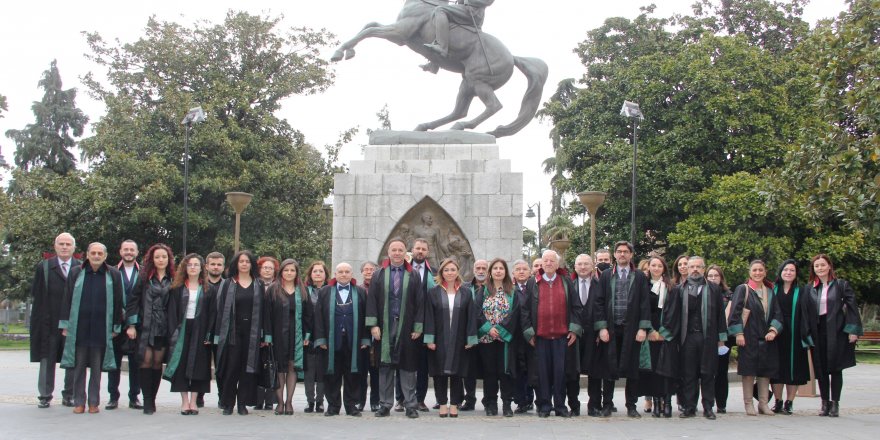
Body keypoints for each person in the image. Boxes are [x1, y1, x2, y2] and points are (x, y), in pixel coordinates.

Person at [656, 257, 727, 420]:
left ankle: (708, 407)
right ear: (686, 269)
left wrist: (721, 337)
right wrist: (666, 334)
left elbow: (720, 315)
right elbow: (671, 313)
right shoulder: (679, 289)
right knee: (689, 374)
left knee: (708, 373)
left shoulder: (714, 289)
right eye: (692, 266)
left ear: (704, 269)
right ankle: (689, 407)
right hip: (687, 337)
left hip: (707, 336)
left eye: (698, 267)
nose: (695, 269)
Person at [59, 243, 124, 414]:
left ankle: (94, 402)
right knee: (78, 366)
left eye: (99, 253)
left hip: (101, 329)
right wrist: (65, 324)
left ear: (105, 255)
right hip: (79, 328)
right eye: (93, 253)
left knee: (96, 368)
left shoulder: (113, 274)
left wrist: (116, 326)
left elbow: (118, 302)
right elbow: (67, 298)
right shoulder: (76, 272)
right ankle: (79, 401)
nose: (96, 256)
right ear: (87, 254)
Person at [366, 238, 424, 419]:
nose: (397, 253)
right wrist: (373, 325)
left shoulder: (413, 274)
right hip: (384, 326)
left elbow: (420, 302)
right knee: (385, 366)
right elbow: (372, 301)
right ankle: (385, 404)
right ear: (388, 252)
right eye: (394, 250)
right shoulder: (379, 274)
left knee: (408, 367)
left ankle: (410, 405)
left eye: (400, 250)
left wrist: (417, 326)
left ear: (405, 252)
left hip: (406, 327)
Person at [592, 241, 651, 418]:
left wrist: (643, 328)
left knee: (632, 369)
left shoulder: (639, 276)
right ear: (615, 255)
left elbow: (644, 303)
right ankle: (607, 404)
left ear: (631, 254)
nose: (622, 254)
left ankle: (631, 405)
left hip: (632, 329)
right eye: (619, 251)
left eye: (626, 251)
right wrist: (601, 327)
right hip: (611, 328)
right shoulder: (606, 275)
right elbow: (599, 302)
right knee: (608, 368)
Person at [521, 250, 583, 418]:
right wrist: (529, 333)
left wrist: (574, 330)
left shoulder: (566, 282)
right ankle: (544, 406)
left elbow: (577, 307)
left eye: (551, 261)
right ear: (541, 264)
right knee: (542, 374)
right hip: (540, 338)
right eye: (545, 261)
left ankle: (561, 406)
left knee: (560, 374)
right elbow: (525, 310)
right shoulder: (533, 282)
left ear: (557, 264)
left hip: (562, 338)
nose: (548, 263)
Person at [213, 250, 271, 415]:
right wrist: (217, 335)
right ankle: (228, 403)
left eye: (247, 261)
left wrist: (266, 335)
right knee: (231, 369)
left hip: (252, 333)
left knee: (248, 369)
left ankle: (242, 404)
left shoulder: (258, 284)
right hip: (232, 333)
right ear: (236, 264)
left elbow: (265, 311)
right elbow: (219, 310)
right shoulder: (228, 283)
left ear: (252, 264)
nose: (244, 264)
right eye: (241, 261)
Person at [806, 254, 862, 417]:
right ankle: (825, 403)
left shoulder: (841, 285)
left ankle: (835, 403)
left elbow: (852, 307)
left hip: (837, 331)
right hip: (818, 331)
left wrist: (852, 330)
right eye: (817, 266)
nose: (820, 268)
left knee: (836, 367)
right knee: (820, 368)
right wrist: (806, 333)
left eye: (823, 265)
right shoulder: (810, 288)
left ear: (829, 266)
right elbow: (805, 312)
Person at [314, 263, 370, 417]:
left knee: (353, 374)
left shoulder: (360, 292)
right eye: (341, 272)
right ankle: (333, 406)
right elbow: (318, 317)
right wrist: (321, 339)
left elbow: (366, 315)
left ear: (352, 274)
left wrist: (365, 339)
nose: (344, 274)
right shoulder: (325, 291)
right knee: (331, 374)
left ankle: (351, 406)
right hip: (332, 341)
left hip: (354, 340)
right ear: (335, 274)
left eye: (347, 272)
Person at [727, 259, 782, 416]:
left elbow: (778, 314)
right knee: (749, 372)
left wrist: (773, 331)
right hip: (748, 337)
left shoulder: (770, 292)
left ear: (765, 272)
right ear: (749, 272)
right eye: (754, 270)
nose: (757, 273)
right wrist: (738, 333)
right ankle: (748, 403)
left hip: (766, 338)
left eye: (760, 270)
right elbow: (734, 313)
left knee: (765, 372)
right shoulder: (743, 290)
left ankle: (763, 404)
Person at [424, 257, 477, 418]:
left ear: (457, 272)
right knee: (439, 373)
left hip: (459, 339)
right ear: (441, 272)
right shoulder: (433, 292)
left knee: (457, 372)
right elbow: (429, 316)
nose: (449, 272)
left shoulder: (466, 292)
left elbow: (471, 317)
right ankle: (442, 403)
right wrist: (429, 339)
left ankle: (454, 404)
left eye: (452, 269)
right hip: (439, 338)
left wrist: (470, 339)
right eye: (446, 270)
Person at [125, 243, 175, 415]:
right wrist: (131, 325)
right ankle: (146, 400)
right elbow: (132, 301)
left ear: (168, 259)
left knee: (157, 364)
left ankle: (152, 398)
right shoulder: (144, 277)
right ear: (152, 260)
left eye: (164, 257)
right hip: (146, 325)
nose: (161, 260)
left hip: (164, 326)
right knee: (145, 361)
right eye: (157, 257)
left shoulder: (173, 278)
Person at [164, 254, 216, 416]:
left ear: (202, 268)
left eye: (196, 265)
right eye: (190, 265)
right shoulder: (177, 288)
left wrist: (209, 334)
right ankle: (184, 401)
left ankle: (194, 401)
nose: (193, 267)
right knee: (182, 364)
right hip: (182, 330)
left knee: (200, 366)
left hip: (201, 330)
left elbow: (213, 313)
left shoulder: (209, 289)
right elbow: (171, 312)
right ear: (185, 268)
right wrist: (174, 332)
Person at [31, 232, 79, 408]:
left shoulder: (80, 267)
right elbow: (37, 295)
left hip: (73, 323)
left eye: (68, 244)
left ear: (74, 247)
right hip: (49, 323)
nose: (65, 247)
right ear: (55, 246)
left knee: (72, 360)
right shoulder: (44, 267)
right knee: (47, 359)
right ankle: (45, 395)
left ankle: (69, 395)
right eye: (61, 244)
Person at [476, 258, 519, 417]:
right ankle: (491, 404)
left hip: (505, 339)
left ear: (505, 272)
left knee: (505, 372)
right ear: (491, 272)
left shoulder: (512, 291)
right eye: (495, 268)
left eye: (501, 268)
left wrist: (500, 330)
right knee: (489, 373)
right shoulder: (483, 290)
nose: (498, 271)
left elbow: (514, 314)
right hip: (487, 339)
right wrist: (489, 328)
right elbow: (477, 312)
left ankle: (507, 404)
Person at [267, 259, 311, 415]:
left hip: (296, 334)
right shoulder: (273, 289)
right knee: (279, 368)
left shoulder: (302, 290)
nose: (289, 273)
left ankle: (289, 401)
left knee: (292, 367)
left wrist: (307, 334)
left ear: (296, 273)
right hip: (278, 334)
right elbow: (267, 315)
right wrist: (267, 336)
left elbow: (308, 316)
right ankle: (279, 402)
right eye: (286, 270)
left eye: (292, 270)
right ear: (281, 272)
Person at [770, 259, 811, 415]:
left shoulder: (802, 291)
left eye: (792, 270)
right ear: (780, 272)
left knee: (794, 370)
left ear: (796, 274)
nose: (788, 272)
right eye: (786, 269)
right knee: (777, 368)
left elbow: (808, 313)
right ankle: (778, 401)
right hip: (776, 333)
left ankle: (789, 402)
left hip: (795, 333)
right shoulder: (772, 290)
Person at [107, 239, 142, 410]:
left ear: (137, 252)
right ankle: (113, 397)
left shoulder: (143, 272)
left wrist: (133, 323)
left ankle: (134, 397)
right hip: (116, 324)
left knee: (136, 363)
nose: (129, 252)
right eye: (125, 249)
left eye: (132, 249)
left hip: (137, 326)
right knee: (114, 363)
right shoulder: (111, 272)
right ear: (120, 252)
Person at [638, 256, 672, 418]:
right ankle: (656, 402)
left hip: (667, 332)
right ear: (649, 267)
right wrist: (650, 330)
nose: (656, 268)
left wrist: (664, 332)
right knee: (653, 370)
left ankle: (667, 401)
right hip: (650, 332)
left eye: (660, 265)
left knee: (666, 368)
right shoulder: (643, 286)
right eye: (653, 265)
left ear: (664, 268)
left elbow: (674, 312)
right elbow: (642, 309)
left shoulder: (671, 287)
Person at [458, 258, 488, 411]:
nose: (481, 271)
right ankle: (469, 400)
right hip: (469, 335)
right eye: (478, 268)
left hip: (488, 335)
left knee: (489, 369)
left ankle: (488, 400)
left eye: (484, 268)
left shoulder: (493, 288)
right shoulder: (465, 288)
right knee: (468, 370)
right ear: (474, 270)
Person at [408, 239, 434, 412]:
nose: (420, 251)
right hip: (407, 323)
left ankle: (420, 399)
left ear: (427, 252)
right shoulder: (402, 270)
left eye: (423, 249)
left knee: (423, 366)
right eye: (417, 248)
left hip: (426, 324)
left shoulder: (435, 273)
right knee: (404, 362)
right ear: (412, 250)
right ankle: (401, 398)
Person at [572, 254, 599, 417]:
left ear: (592, 266)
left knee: (594, 372)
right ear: (575, 267)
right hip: (573, 335)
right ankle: (574, 405)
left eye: (586, 264)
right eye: (579, 264)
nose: (583, 267)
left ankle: (594, 405)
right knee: (573, 372)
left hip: (593, 334)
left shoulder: (599, 284)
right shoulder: (568, 284)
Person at [424, 0, 495, 59]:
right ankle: (434, 63)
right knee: (442, 19)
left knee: (440, 10)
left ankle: (442, 47)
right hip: (465, 8)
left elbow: (488, 1)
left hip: (473, 11)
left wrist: (470, 1)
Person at [706, 264, 733, 414]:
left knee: (722, 371)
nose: (713, 278)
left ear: (721, 278)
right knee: (707, 371)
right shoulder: (702, 292)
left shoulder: (729, 294)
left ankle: (721, 403)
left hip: (723, 337)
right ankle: (707, 401)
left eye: (716, 275)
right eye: (710, 276)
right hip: (706, 337)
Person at [302, 260, 329, 413]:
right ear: (310, 274)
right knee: (309, 371)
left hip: (325, 337)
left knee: (322, 371)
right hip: (309, 336)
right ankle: (310, 401)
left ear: (326, 274)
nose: (318, 274)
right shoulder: (305, 291)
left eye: (321, 271)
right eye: (315, 271)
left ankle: (320, 401)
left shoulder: (330, 290)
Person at [254, 256, 279, 410]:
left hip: (274, 331)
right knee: (257, 366)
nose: (267, 270)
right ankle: (257, 399)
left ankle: (270, 400)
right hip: (255, 330)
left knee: (271, 365)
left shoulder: (278, 286)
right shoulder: (254, 285)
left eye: (270, 268)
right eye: (265, 267)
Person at [511, 259, 535, 414]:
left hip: (533, 335)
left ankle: (531, 399)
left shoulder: (536, 288)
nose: (521, 271)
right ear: (513, 273)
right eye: (518, 269)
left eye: (524, 269)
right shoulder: (510, 290)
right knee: (518, 369)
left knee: (532, 369)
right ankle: (521, 401)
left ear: (530, 271)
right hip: (515, 336)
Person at [201, 251, 225, 407]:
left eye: (219, 265)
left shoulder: (228, 285)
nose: (216, 267)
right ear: (206, 266)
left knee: (221, 366)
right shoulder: (200, 284)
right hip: (202, 331)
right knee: (201, 366)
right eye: (213, 264)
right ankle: (198, 396)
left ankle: (223, 397)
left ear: (224, 267)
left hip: (221, 332)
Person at [357, 261, 380, 412]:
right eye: (366, 269)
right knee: (361, 371)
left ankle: (375, 401)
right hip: (361, 334)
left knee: (376, 371)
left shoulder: (380, 288)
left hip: (377, 334)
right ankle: (360, 400)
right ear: (362, 272)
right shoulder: (357, 290)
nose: (369, 271)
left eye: (372, 269)